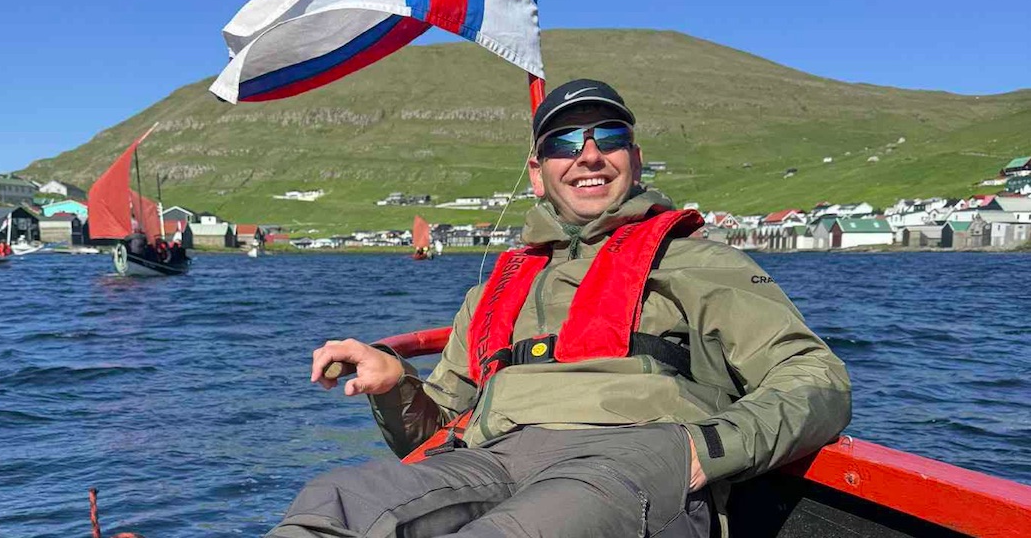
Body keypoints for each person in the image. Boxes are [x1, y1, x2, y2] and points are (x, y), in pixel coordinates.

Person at [273, 79, 852, 537]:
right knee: (331, 505)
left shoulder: (700, 263)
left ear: (635, 158)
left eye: (609, 137)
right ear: (538, 172)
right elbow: (436, 431)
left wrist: (708, 449)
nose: (589, 155)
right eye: (564, 144)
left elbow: (815, 377)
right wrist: (396, 386)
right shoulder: (493, 292)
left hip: (630, 456)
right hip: (491, 459)